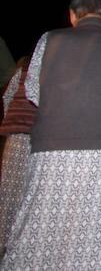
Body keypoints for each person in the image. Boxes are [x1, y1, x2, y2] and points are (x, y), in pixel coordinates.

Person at [1, 0, 101, 269]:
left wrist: (59, 114)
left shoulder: (49, 40)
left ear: (72, 15)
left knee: (38, 224)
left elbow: (32, 91)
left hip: (49, 148)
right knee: (93, 229)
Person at [0, 57, 35, 255]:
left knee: (10, 190)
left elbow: (8, 98)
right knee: (23, 191)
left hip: (17, 137)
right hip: (35, 139)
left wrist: (11, 123)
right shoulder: (52, 73)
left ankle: (7, 241)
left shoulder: (21, 73)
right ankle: (15, 242)